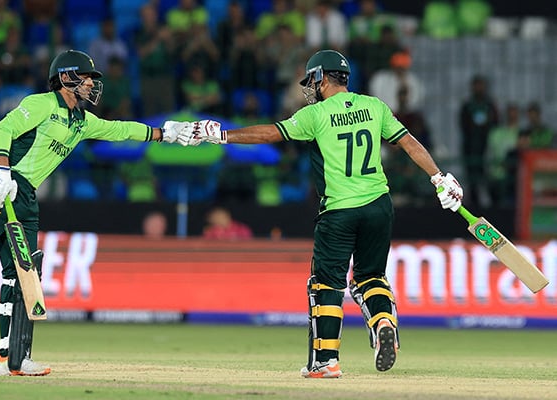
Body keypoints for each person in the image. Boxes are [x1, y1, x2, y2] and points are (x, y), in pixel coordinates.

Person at [0, 49, 194, 376]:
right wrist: (2, 170)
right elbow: (3, 129)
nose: (91, 84)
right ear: (66, 77)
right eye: (86, 78)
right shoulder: (41, 103)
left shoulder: (82, 122)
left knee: (23, 274)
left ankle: (12, 358)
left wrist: (164, 132)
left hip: (26, 196)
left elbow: (121, 131)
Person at [179, 50, 464, 377]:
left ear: (324, 78)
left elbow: (272, 133)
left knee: (327, 284)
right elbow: (409, 142)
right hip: (379, 206)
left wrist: (222, 135)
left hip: (339, 211)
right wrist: (438, 177)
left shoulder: (316, 115)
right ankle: (383, 320)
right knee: (371, 277)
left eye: (312, 79)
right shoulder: (375, 106)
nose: (309, 87)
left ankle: (326, 361)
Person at [459, 75, 498, 207]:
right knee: (472, 176)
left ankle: (494, 202)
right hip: (471, 147)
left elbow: (495, 124)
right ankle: (474, 202)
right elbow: (463, 125)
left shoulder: (489, 105)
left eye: (481, 85)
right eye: (476, 85)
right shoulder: (468, 105)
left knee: (488, 175)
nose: (479, 88)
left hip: (487, 147)